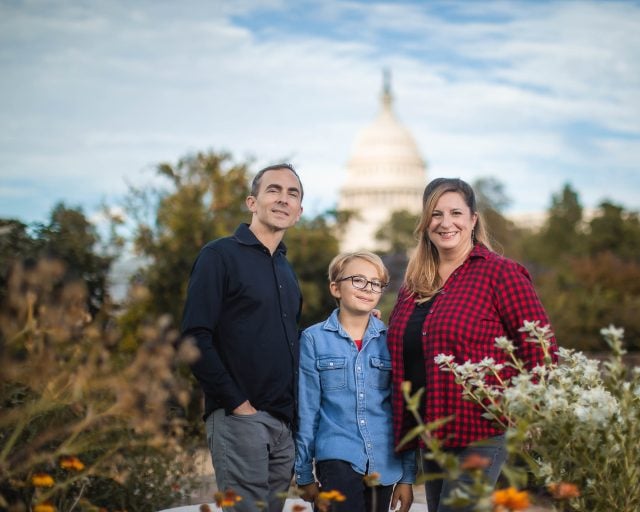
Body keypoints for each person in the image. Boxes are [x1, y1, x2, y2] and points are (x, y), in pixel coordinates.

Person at [387, 177, 558, 512]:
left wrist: (530, 412)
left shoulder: (501, 274)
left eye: (455, 213)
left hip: (481, 428)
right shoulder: (413, 286)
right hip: (431, 433)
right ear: (425, 222)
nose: (446, 223)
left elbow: (540, 348)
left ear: (473, 219)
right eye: (436, 214)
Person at [181, 163, 304, 512]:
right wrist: (238, 405)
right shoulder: (219, 256)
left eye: (292, 194)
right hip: (240, 418)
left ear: (299, 211)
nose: (283, 199)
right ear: (252, 202)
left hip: (283, 425)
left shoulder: (285, 268)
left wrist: (358, 320)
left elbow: (288, 338)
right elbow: (194, 337)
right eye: (274, 190)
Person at [295, 251, 416, 512]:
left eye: (375, 283)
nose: (367, 288)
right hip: (337, 456)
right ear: (335, 288)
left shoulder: (391, 341)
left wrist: (407, 476)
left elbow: (403, 411)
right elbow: (307, 410)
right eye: (358, 280)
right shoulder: (313, 339)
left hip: (383, 462)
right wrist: (304, 472)